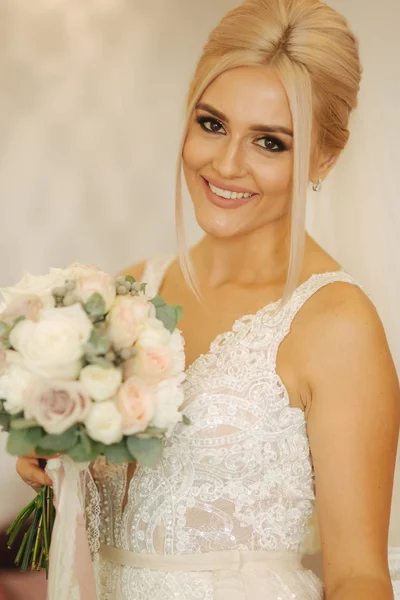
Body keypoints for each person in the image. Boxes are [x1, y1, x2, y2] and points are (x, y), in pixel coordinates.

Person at [15, 0, 400, 598]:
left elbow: (357, 577)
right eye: (212, 124)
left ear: (324, 157)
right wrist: (54, 456)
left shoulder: (335, 324)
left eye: (269, 142)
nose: (225, 163)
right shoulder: (125, 294)